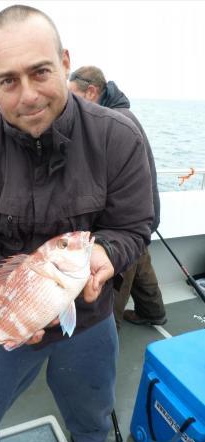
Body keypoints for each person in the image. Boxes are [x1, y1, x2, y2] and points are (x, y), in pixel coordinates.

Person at [0, 5, 154, 442]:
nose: (28, 96)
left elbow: (135, 224)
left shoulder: (120, 137)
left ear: (65, 62)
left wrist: (107, 254)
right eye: (8, 80)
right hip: (2, 319)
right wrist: (6, 290)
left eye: (40, 72)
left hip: (90, 321)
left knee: (92, 421)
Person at [69, 66, 167, 331]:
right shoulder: (123, 115)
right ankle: (153, 312)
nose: (69, 104)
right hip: (145, 209)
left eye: (73, 95)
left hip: (131, 214)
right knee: (141, 261)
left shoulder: (113, 121)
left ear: (91, 92)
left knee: (119, 272)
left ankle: (109, 325)